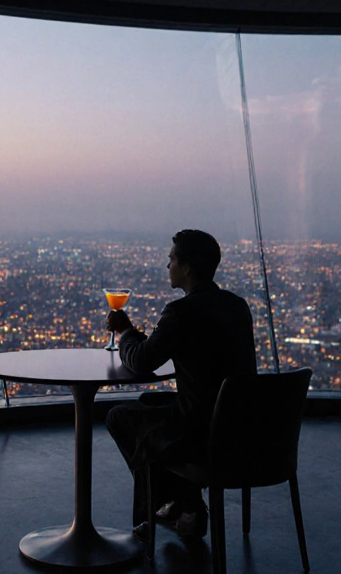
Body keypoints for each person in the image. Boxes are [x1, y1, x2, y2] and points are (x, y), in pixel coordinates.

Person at [105, 230, 256, 540]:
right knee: (149, 402)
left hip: (200, 432)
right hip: (240, 429)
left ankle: (177, 505)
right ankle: (183, 503)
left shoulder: (181, 312)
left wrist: (126, 332)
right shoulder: (237, 306)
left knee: (118, 417)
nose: (167, 265)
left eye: (172, 259)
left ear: (186, 268)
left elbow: (141, 361)